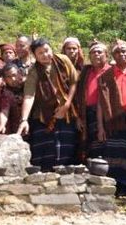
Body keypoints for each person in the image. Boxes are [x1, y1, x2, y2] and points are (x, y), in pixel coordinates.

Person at [17, 39, 80, 170]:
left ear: (51, 49)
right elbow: (29, 96)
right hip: (44, 116)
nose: (45, 55)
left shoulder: (63, 60)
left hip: (66, 114)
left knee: (66, 150)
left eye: (47, 50)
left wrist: (66, 105)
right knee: (45, 153)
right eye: (40, 53)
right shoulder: (34, 71)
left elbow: (74, 82)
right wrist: (24, 120)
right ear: (35, 55)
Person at [97, 39, 126, 194]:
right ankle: (117, 188)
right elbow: (101, 104)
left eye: (124, 50)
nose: (121, 54)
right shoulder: (106, 76)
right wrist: (101, 126)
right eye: (117, 51)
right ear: (112, 55)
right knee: (116, 155)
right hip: (113, 122)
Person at [74, 40, 109, 161]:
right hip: (87, 114)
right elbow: (77, 95)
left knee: (107, 147)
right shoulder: (85, 72)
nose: (96, 54)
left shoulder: (112, 71)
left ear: (106, 55)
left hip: (108, 115)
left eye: (99, 52)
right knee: (90, 149)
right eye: (93, 52)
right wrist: (78, 115)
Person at [0, 63, 25, 134]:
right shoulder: (6, 93)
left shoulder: (28, 85)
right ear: (4, 79)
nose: (13, 79)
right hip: (18, 130)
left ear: (19, 73)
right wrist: (1, 125)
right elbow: (4, 110)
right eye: (9, 77)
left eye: (14, 75)